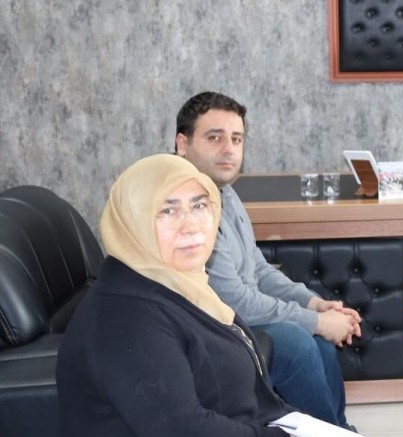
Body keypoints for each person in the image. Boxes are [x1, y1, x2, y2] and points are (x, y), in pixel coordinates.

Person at [57, 154, 294, 436]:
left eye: (199, 205)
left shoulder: (176, 283)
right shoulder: (124, 320)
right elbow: (184, 429)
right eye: (167, 211)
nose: (191, 225)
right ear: (134, 222)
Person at [175, 91, 359, 430]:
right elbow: (233, 301)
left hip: (236, 320)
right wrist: (317, 322)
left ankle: (338, 429)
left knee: (318, 343)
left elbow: (258, 269)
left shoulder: (225, 193)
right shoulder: (186, 206)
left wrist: (313, 303)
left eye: (236, 139)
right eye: (214, 138)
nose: (229, 149)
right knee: (298, 345)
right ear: (182, 144)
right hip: (204, 327)